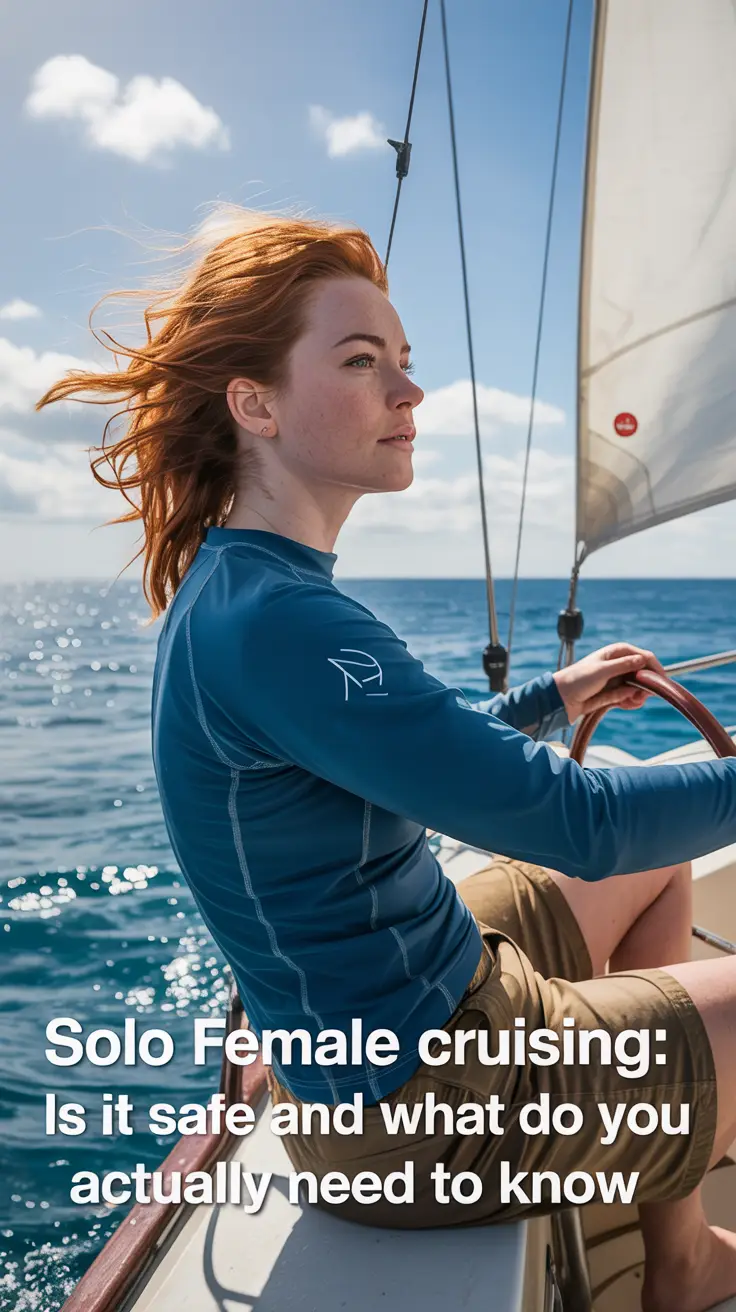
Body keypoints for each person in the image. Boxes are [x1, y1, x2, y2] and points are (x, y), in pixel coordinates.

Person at [38, 208, 736, 1312]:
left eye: (403, 363)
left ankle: (673, 1240)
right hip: (415, 1109)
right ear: (255, 404)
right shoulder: (283, 620)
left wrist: (545, 700)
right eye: (363, 363)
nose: (409, 393)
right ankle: (608, 1111)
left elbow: (407, 750)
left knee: (656, 869)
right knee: (638, 867)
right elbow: (578, 824)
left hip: (401, 1036)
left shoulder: (247, 588)